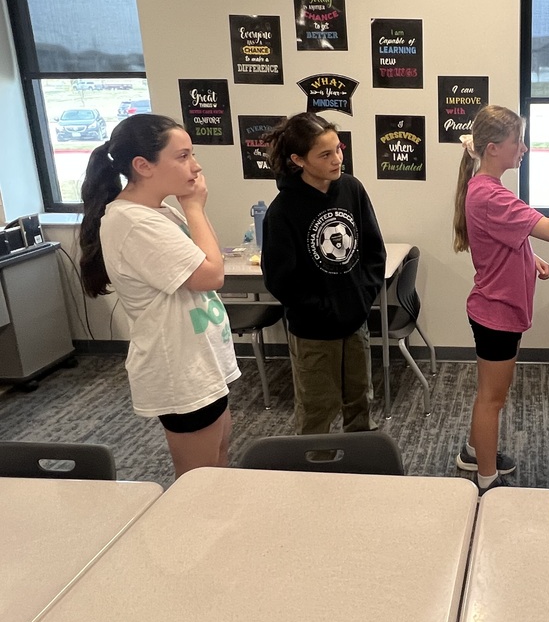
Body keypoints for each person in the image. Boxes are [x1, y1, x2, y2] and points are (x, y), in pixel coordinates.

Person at [79, 113, 238, 479]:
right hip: (178, 368)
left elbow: (205, 253)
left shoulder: (159, 211)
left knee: (220, 461)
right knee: (199, 479)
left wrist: (191, 208)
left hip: (200, 362)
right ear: (142, 166)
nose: (195, 166)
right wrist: (195, 207)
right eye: (182, 156)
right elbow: (211, 274)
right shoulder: (133, 222)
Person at [453, 105, 549, 493]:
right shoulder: (491, 195)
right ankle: (486, 479)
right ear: (494, 147)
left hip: (499, 307)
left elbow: (503, 240)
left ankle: (472, 451)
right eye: (518, 141)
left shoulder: (487, 189)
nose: (524, 148)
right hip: (495, 312)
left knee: (489, 394)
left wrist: (530, 259)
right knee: (492, 400)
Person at [261, 112, 385, 436]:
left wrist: (362, 298)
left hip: (355, 323)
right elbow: (280, 279)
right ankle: (315, 477)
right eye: (325, 154)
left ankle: (361, 471)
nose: (337, 159)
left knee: (361, 402)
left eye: (338, 149)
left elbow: (374, 250)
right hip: (313, 332)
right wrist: (323, 308)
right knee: (318, 410)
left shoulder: (351, 189)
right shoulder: (283, 210)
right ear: (298, 160)